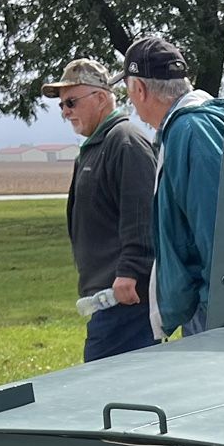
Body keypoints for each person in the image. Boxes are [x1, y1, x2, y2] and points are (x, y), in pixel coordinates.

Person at [43, 57, 158, 360]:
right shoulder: (96, 145)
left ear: (102, 98)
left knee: (107, 393)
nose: (66, 111)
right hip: (106, 299)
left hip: (125, 299)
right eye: (61, 105)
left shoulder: (125, 142)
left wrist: (130, 272)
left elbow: (143, 214)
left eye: (71, 102)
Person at [118, 35, 224, 337]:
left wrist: (209, 308)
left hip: (213, 311)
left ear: (139, 89)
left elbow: (213, 228)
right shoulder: (215, 116)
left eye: (129, 92)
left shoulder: (187, 131)